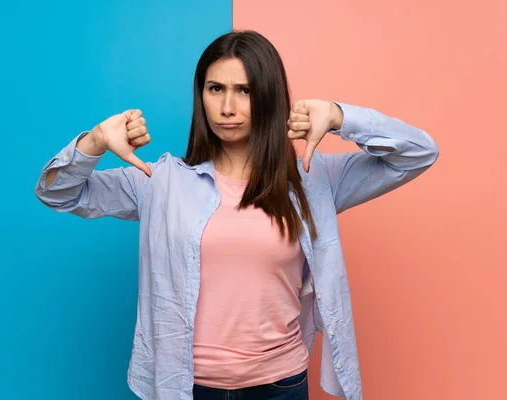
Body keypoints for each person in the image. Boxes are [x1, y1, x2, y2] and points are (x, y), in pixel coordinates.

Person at [35, 30, 439, 400]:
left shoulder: (315, 180)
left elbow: (418, 154)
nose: (228, 107)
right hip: (185, 387)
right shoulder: (160, 181)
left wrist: (338, 116)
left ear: (268, 95)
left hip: (280, 385)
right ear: (201, 95)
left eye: (244, 90)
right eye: (216, 89)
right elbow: (57, 192)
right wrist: (95, 141)